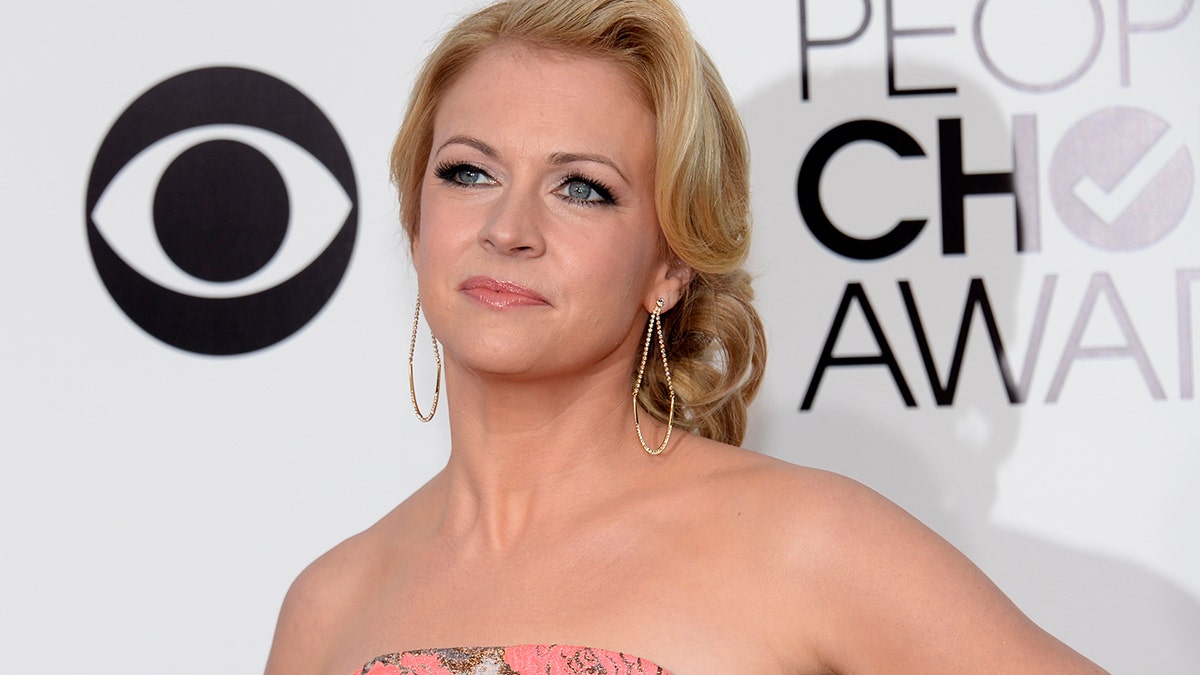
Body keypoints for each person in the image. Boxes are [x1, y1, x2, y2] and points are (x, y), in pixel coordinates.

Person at [265, 0, 1108, 673]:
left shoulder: (810, 542)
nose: (508, 227)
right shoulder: (329, 607)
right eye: (468, 172)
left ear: (669, 265)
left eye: (582, 188)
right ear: (417, 220)